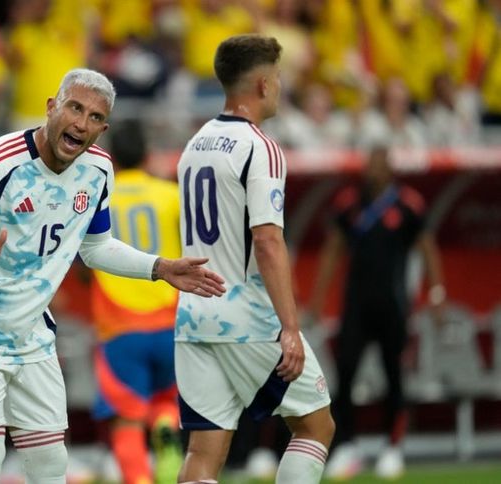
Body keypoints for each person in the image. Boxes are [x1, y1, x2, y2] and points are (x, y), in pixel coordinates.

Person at [0, 68, 226, 484]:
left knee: (51, 462)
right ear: (52, 107)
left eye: (95, 117)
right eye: (75, 108)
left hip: (32, 334)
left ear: (103, 129)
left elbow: (95, 247)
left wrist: (160, 267)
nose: (82, 123)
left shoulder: (98, 169)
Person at [173, 34, 335, 484]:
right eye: (278, 77)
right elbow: (266, 240)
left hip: (194, 318)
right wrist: (290, 327)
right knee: (316, 426)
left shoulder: (195, 144)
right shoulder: (260, 147)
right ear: (263, 84)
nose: (280, 87)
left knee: (203, 452)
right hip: (245, 317)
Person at [308, 145, 445, 480]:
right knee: (345, 374)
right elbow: (333, 249)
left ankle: (392, 447)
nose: (373, 170)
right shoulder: (350, 203)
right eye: (370, 164)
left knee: (394, 377)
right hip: (356, 306)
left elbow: (427, 248)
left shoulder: (407, 203)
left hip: (393, 306)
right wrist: (318, 299)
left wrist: (437, 293)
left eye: (379, 164)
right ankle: (347, 446)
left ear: (390, 168)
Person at [89, 120, 183, 484]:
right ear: (147, 155)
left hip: (119, 326)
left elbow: (84, 263)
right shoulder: (170, 194)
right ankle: (165, 429)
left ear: (111, 158)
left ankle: (140, 478)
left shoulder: (97, 199)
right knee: (164, 400)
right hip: (169, 320)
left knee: (126, 419)